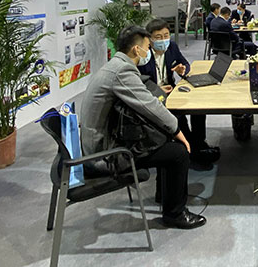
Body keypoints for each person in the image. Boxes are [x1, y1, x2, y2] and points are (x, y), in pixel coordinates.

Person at [80, 25, 206, 229]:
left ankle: (164, 195)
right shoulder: (122, 71)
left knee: (165, 139)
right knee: (178, 152)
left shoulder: (115, 65)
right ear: (136, 50)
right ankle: (175, 214)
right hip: (104, 154)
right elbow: (149, 105)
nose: (150, 50)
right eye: (148, 46)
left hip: (102, 141)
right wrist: (177, 131)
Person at [139, 18, 220, 164]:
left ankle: (199, 142)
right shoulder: (144, 55)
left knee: (199, 106)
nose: (163, 40)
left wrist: (182, 70)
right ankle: (192, 149)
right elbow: (138, 82)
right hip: (153, 95)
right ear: (149, 39)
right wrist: (157, 90)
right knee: (178, 117)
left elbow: (185, 64)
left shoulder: (172, 47)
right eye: (158, 37)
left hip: (172, 89)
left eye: (166, 35)